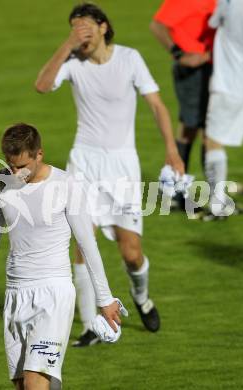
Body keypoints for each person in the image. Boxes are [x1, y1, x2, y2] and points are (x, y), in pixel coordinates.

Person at [35, 3, 184, 347]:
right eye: (74, 28)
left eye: (85, 27)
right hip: (84, 162)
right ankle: (91, 325)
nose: (80, 34)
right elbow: (42, 86)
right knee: (82, 242)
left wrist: (171, 149)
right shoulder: (72, 63)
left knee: (131, 252)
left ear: (103, 27)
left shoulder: (129, 59)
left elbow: (158, 105)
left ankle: (141, 295)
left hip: (122, 167)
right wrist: (66, 45)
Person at [0, 123, 121, 389]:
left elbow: (87, 243)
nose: (15, 173)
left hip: (53, 295)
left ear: (39, 154)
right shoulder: (0, 182)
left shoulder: (66, 185)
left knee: (35, 384)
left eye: (21, 166)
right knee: (24, 385)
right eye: (10, 165)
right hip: (15, 295)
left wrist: (105, 298)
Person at [150, 0, 216, 211]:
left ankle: (178, 190)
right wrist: (179, 54)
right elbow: (157, 25)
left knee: (202, 129)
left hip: (214, 68)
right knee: (196, 128)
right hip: (194, 71)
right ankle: (177, 190)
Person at [202, 0, 243, 221]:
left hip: (230, 84)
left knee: (213, 141)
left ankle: (217, 204)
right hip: (238, 81)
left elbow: (213, 23)